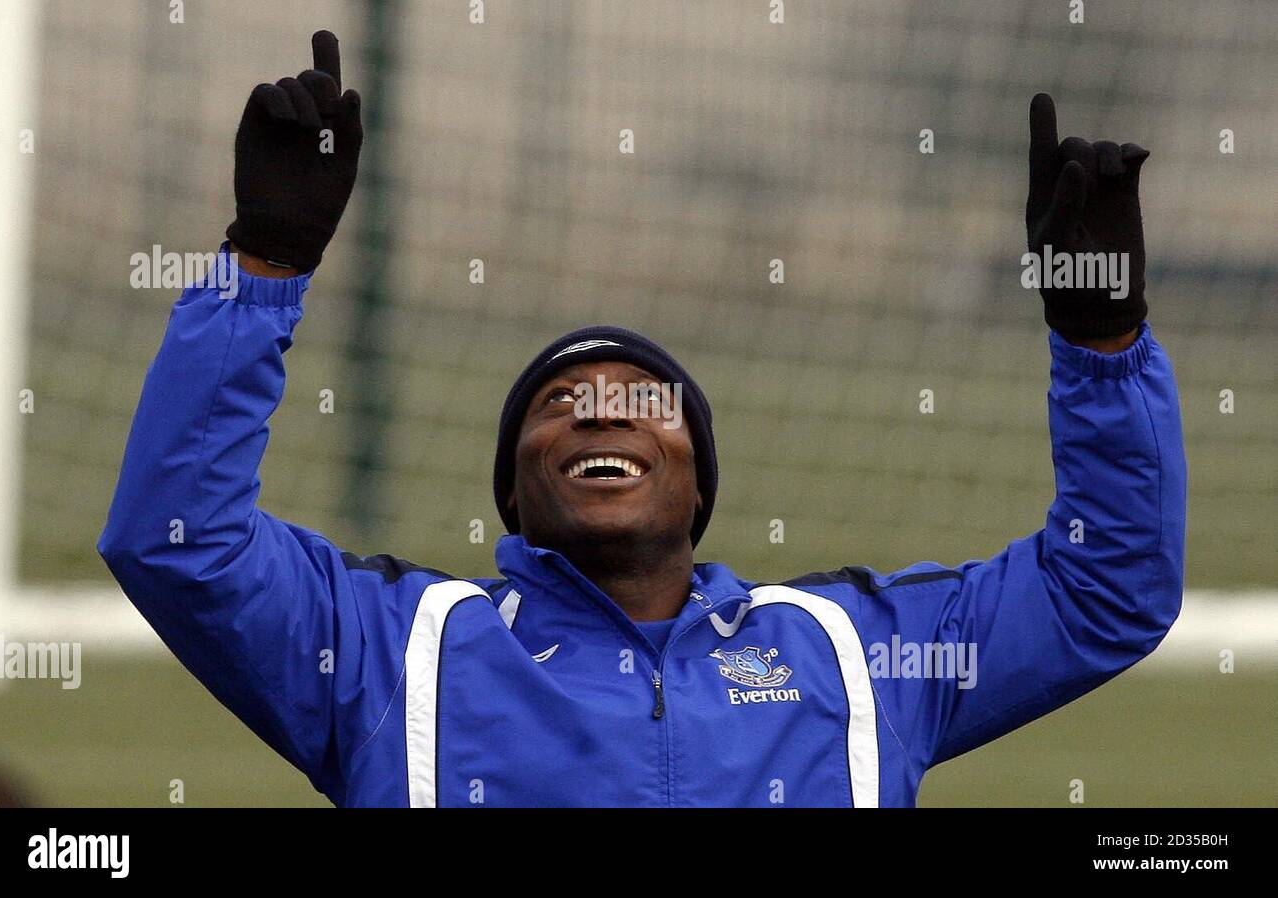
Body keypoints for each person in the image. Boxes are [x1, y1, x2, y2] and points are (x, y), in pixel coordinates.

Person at [99, 32, 1186, 807]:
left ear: (698, 484)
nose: (599, 414)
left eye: (640, 401)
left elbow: (1107, 587)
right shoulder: (390, 653)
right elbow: (178, 539)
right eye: (561, 405)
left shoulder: (855, 658)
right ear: (512, 495)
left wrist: (1101, 343)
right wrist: (264, 268)